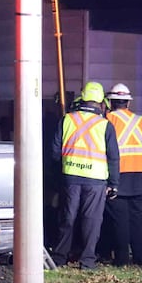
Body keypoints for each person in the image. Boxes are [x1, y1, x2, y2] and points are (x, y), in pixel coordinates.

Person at [51, 81, 120, 270]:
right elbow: (113, 157)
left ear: (82, 98)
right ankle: (87, 261)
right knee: (92, 220)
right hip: (96, 180)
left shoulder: (67, 120)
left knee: (67, 218)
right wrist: (113, 184)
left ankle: (59, 256)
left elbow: (55, 152)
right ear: (101, 102)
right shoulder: (105, 125)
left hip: (70, 176)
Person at [102, 83, 142, 266]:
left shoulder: (106, 121)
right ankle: (141, 258)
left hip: (119, 175)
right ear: (128, 103)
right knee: (138, 219)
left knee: (120, 219)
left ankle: (121, 259)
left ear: (111, 102)